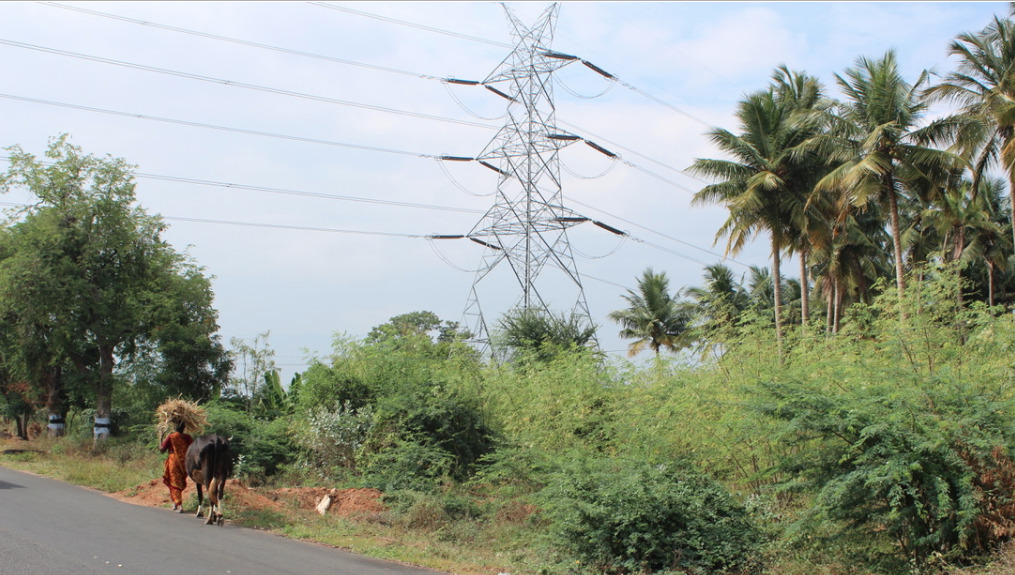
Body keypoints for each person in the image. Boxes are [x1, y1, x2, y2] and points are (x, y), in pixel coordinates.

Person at [160, 420, 193, 512]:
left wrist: (160, 440)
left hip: (173, 461)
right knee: (180, 481)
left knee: (174, 482)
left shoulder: (171, 437)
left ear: (175, 427)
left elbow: (162, 450)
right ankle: (175, 503)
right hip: (185, 462)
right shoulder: (188, 437)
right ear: (184, 428)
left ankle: (180, 505)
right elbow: (192, 448)